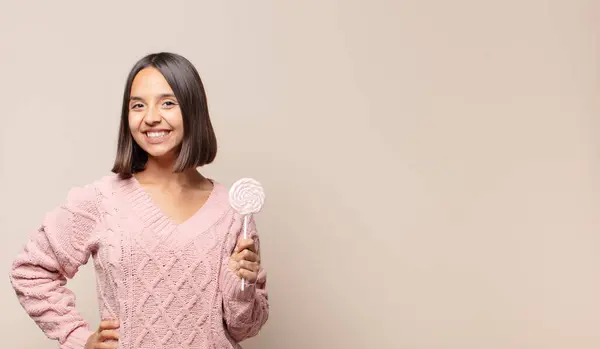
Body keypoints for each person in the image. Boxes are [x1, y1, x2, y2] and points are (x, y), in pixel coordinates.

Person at [8, 52, 269, 349]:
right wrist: (78, 338)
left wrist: (241, 287)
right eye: (137, 105)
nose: (151, 117)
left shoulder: (234, 211)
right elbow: (30, 271)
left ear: (193, 110)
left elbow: (244, 328)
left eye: (168, 103)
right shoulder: (101, 199)